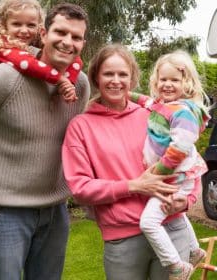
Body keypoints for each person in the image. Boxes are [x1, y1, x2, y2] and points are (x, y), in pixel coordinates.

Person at [62, 43, 200, 280]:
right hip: (123, 239)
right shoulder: (81, 126)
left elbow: (189, 158)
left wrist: (187, 200)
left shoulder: (155, 114)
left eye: (122, 74)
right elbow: (80, 189)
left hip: (172, 227)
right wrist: (133, 186)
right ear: (96, 77)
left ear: (133, 78)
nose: (116, 80)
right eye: (108, 74)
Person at [0, 3, 90, 279]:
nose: (67, 42)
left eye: (76, 37)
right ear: (43, 33)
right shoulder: (6, 77)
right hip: (4, 214)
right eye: (60, 32)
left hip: (55, 212)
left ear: (82, 43)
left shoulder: (80, 84)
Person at [130, 50, 210, 280]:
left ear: (186, 83)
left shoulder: (183, 111)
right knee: (176, 214)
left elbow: (180, 147)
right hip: (175, 177)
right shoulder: (165, 105)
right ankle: (194, 249)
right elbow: (146, 101)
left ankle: (177, 265)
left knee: (149, 222)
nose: (167, 84)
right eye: (163, 79)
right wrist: (127, 94)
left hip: (174, 177)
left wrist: (157, 173)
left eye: (174, 80)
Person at [0, 0, 81, 103]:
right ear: (4, 25)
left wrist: (69, 84)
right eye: (17, 24)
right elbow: (28, 64)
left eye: (31, 25)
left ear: (39, 26)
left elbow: (75, 59)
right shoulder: (2, 47)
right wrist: (60, 79)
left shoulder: (34, 43)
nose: (24, 31)